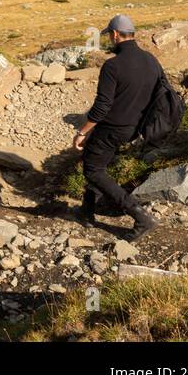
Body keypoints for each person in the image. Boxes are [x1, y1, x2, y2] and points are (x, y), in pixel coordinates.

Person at [73, 14, 162, 241]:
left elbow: (102, 107)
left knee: (93, 170)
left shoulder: (113, 65)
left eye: (109, 37)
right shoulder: (151, 60)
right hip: (135, 127)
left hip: (113, 126)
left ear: (114, 35)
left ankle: (140, 216)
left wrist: (82, 131)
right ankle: (87, 210)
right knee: (98, 162)